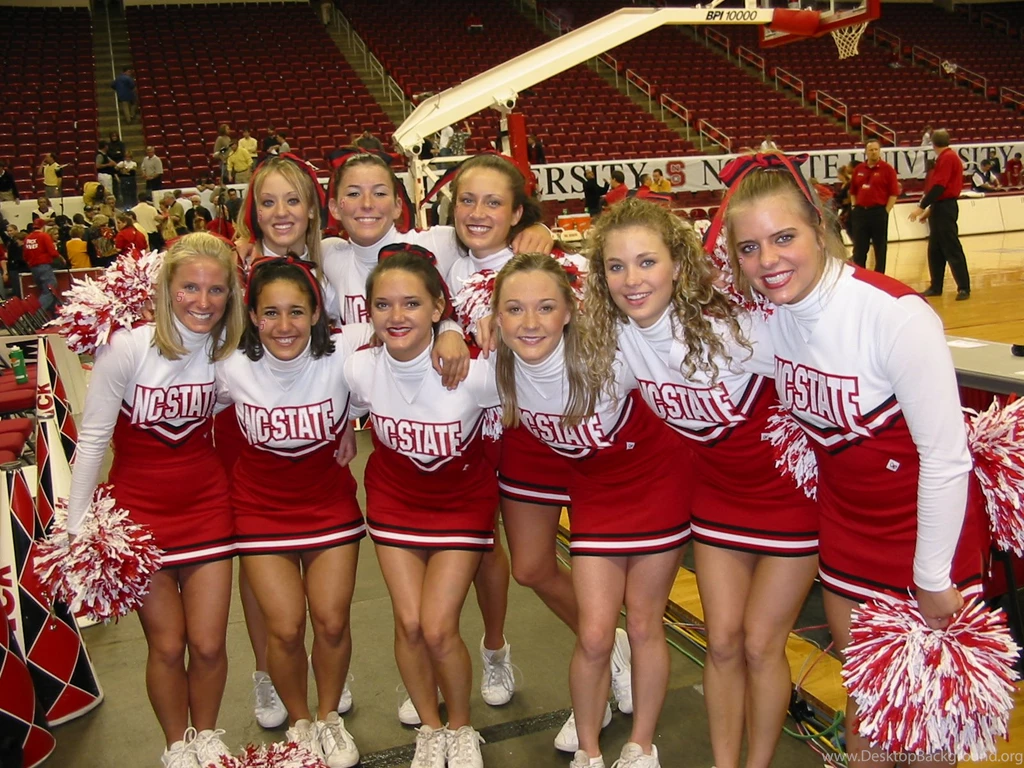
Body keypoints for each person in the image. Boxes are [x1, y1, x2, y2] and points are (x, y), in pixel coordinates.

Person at [723, 152, 986, 768]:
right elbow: (683, 343)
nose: (768, 261)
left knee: (925, 724)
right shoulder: (772, 321)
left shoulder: (893, 314)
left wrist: (931, 577)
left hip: (926, 534)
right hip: (846, 529)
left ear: (821, 228)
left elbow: (946, 459)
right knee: (867, 705)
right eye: (750, 248)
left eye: (784, 237)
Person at [585, 198, 818, 768]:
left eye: (646, 262)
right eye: (616, 267)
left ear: (678, 265)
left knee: (762, 644)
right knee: (722, 643)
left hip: (788, 497)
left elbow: (826, 352)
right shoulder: (615, 334)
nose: (632, 280)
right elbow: (533, 329)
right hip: (715, 499)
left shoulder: (738, 329)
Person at [448, 154, 634, 754]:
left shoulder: (562, 262)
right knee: (530, 567)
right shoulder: (441, 258)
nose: (478, 213)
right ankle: (611, 644)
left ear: (518, 212)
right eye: (467, 200)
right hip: (522, 433)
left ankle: (600, 674)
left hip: (589, 429)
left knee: (600, 569)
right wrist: (452, 329)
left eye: (493, 202)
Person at [493, 253, 689, 768]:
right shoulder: (494, 370)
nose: (529, 322)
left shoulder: (613, 354)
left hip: (654, 481)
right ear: (495, 318)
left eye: (544, 307)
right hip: (596, 490)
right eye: (514, 309)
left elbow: (693, 355)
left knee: (645, 622)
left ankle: (640, 744)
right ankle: (588, 752)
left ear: (569, 311)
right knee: (598, 631)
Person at [66, 233, 245, 768]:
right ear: (165, 289)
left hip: (208, 508)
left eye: (216, 290)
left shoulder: (229, 351)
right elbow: (94, 439)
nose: (203, 301)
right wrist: (78, 530)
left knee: (210, 644)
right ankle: (176, 746)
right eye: (189, 286)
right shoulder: (126, 348)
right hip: (137, 519)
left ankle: (208, 736)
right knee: (166, 645)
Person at [344, 249, 497, 768]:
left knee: (437, 625)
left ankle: (460, 727)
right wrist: (344, 430)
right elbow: (347, 405)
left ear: (438, 309)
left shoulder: (471, 371)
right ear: (368, 312)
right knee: (408, 623)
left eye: (412, 303)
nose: (397, 315)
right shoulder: (360, 369)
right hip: (394, 502)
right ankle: (430, 729)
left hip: (461, 503)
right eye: (383, 304)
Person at [217, 257, 367, 767]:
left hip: (328, 504)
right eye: (271, 313)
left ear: (316, 313)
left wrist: (353, 414)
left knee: (329, 621)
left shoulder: (343, 350)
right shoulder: (229, 364)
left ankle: (330, 718)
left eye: (297, 312)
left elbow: (410, 321)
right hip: (260, 510)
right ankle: (301, 722)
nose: (285, 326)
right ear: (253, 316)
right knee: (283, 628)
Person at [909, 129, 970, 300]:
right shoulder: (947, 157)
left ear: (933, 144)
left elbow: (940, 187)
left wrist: (922, 206)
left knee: (951, 247)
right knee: (935, 249)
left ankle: (963, 287)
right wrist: (930, 210)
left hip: (945, 207)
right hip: (940, 207)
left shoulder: (947, 158)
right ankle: (936, 286)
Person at [849, 139, 899, 274]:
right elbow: (853, 191)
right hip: (861, 213)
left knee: (880, 247)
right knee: (859, 248)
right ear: (866, 152)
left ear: (880, 151)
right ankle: (860, 275)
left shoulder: (887, 169)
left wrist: (886, 211)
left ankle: (880, 276)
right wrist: (855, 206)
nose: (873, 152)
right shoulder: (858, 169)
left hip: (878, 212)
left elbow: (894, 193)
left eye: (876, 149)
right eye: (871, 150)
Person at [23, 218, 61, 313]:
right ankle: (36, 314)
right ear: (43, 226)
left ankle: (55, 314)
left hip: (33, 268)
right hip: (44, 266)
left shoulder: (28, 238)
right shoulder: (44, 236)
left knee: (46, 291)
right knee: (50, 290)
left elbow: (25, 255)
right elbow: (53, 252)